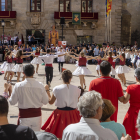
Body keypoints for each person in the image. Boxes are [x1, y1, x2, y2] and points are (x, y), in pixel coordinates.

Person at [42, 70, 81, 140]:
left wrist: (47, 91)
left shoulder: (57, 88)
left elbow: (51, 102)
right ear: (71, 78)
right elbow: (78, 101)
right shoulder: (77, 89)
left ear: (62, 77)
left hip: (60, 113)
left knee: (60, 134)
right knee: (73, 135)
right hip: (73, 113)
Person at [9, 64, 49, 131]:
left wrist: (10, 92)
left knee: (24, 137)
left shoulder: (18, 86)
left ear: (23, 73)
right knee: (35, 135)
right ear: (34, 72)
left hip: (24, 117)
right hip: (37, 117)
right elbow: (45, 101)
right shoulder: (40, 85)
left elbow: (12, 102)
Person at [123, 68, 140, 140]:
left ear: (136, 77)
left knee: (129, 133)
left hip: (132, 113)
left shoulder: (131, 87)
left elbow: (124, 101)